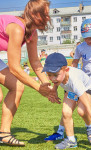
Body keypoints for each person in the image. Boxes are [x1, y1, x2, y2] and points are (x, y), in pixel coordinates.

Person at [0, 0, 60, 147]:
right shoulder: (17, 29)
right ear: (33, 14)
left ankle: (4, 134)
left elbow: (35, 62)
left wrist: (47, 84)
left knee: (18, 87)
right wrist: (38, 87)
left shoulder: (32, 33)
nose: (48, 19)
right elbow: (14, 67)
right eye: (45, 15)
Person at [42, 52, 91, 149]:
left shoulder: (75, 81)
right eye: (49, 75)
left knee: (82, 111)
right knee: (66, 112)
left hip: (85, 88)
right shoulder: (59, 77)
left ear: (66, 69)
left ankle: (90, 127)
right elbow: (57, 81)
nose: (52, 79)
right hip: (71, 90)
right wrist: (54, 90)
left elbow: (88, 106)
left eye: (55, 75)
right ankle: (71, 141)